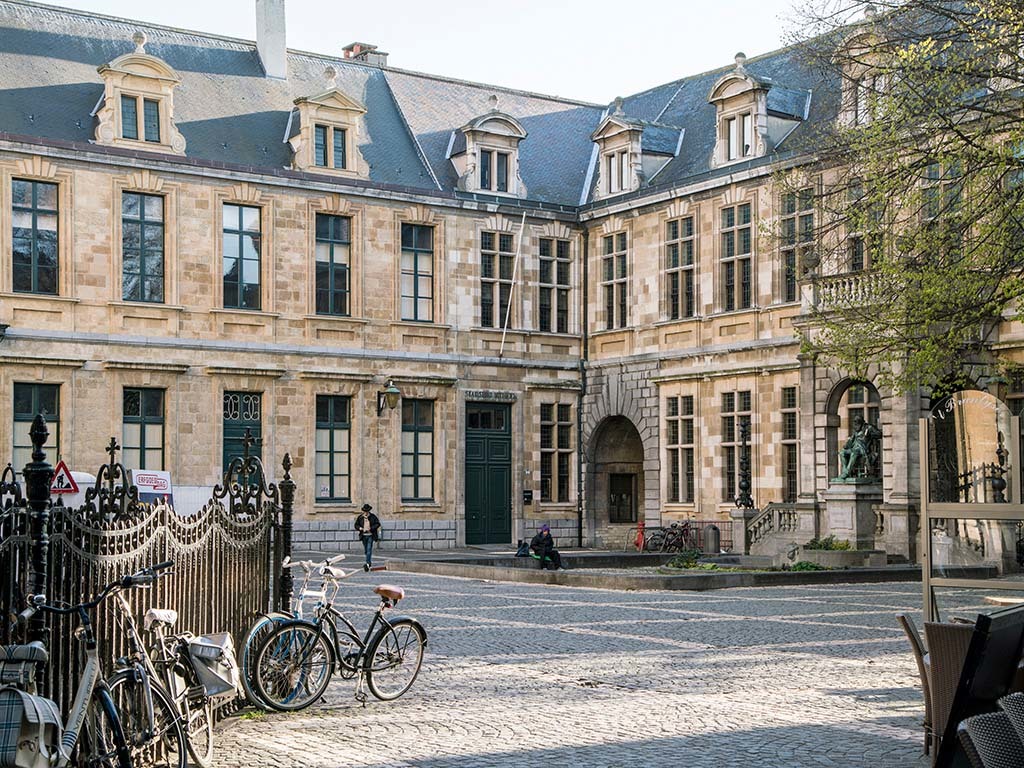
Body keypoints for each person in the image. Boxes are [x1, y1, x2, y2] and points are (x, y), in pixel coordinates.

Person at [838, 415, 882, 479]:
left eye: (857, 422)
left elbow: (879, 434)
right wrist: (846, 445)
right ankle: (845, 471)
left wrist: (870, 435)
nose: (855, 424)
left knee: (854, 452)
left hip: (863, 449)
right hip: (854, 448)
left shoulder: (869, 427)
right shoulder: (856, 431)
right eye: (855, 422)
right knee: (842, 452)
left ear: (861, 422)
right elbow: (851, 441)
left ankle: (847, 472)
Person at [354, 503, 381, 570]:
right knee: (366, 550)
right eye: (365, 511)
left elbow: (378, 524)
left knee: (369, 550)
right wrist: (360, 528)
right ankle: (368, 561)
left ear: (369, 511)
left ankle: (368, 563)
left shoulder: (373, 517)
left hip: (370, 535)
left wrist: (371, 528)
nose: (366, 512)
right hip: (363, 536)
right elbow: (356, 525)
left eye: (367, 511)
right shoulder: (360, 517)